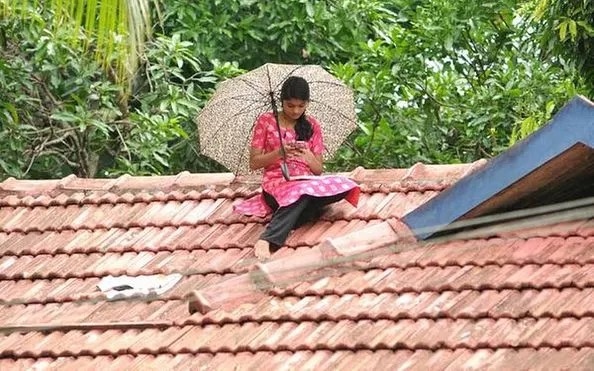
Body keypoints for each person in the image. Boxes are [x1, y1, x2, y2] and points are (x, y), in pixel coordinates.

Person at [234, 76, 360, 260]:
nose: (295, 110)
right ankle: (268, 239)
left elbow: (318, 170)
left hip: (306, 182)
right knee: (300, 194)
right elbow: (254, 163)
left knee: (345, 184)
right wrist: (279, 153)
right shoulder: (266, 121)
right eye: (290, 105)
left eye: (301, 106)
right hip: (276, 184)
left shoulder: (313, 125)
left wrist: (307, 156)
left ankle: (296, 215)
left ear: (307, 103)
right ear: (282, 102)